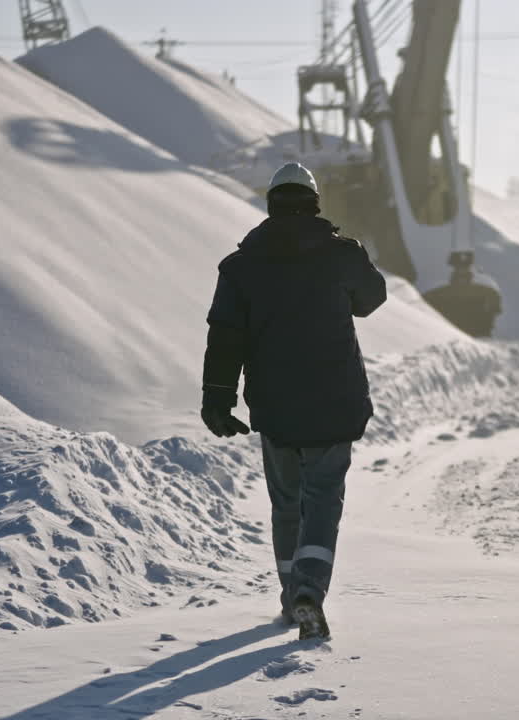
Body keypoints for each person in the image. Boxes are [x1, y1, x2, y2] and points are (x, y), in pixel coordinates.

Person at [201, 162, 387, 641]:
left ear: (270, 205)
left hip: (275, 406)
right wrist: (355, 256)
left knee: (286, 503)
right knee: (322, 500)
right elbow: (371, 299)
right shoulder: (341, 255)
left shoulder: (241, 266)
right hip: (334, 401)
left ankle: (291, 596)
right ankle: (309, 591)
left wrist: (217, 401)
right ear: (315, 204)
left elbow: (225, 337)